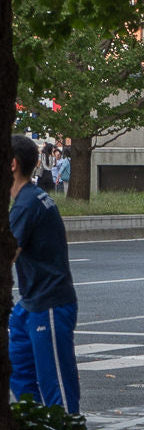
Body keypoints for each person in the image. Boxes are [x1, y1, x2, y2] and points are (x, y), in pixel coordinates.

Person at [8, 135, 80, 412]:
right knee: (18, 372)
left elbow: (8, 254)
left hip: (49, 302)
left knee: (56, 386)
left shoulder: (27, 204)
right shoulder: (32, 199)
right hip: (30, 303)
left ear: (12, 164)